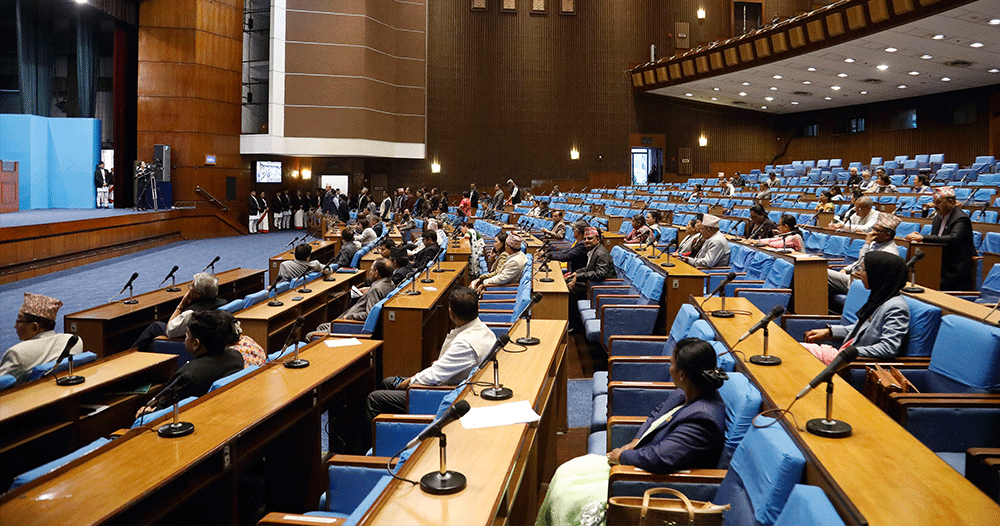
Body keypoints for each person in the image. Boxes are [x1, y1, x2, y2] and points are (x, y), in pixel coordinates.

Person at [535, 338, 727, 526]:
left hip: (651, 481)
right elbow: (656, 415)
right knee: (566, 471)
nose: (669, 368)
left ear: (683, 375)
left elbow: (660, 458)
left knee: (569, 495)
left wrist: (623, 456)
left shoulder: (703, 419)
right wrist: (636, 440)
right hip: (641, 460)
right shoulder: (688, 392)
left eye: (672, 364)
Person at [363, 287, 497, 446]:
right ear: (478, 308)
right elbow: (446, 367)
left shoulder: (465, 344)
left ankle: (371, 448)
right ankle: (392, 432)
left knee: (374, 399)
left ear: (451, 312)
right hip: (449, 383)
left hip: (439, 394)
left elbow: (435, 377)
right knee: (388, 382)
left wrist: (411, 381)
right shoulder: (483, 329)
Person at [804, 251, 910, 364]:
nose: (859, 273)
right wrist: (829, 331)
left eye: (864, 270)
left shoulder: (896, 308)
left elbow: (888, 348)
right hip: (845, 356)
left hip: (855, 363)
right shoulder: (880, 297)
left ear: (878, 274)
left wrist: (849, 353)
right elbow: (862, 329)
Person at [136, 310, 244, 417]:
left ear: (196, 344)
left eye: (187, 336)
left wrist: (145, 414)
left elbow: (161, 412)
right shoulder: (235, 356)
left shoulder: (188, 376)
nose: (185, 339)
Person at [131, 272, 227, 353]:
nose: (189, 289)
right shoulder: (223, 302)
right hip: (209, 339)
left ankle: (131, 355)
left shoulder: (191, 314)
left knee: (155, 327)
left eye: (191, 287)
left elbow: (170, 331)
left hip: (185, 343)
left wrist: (181, 305)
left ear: (198, 294)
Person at [1, 293, 84, 384]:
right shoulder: (73, 341)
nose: (15, 326)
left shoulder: (17, 353)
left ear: (34, 327)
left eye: (19, 321)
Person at [905, 186, 975, 291]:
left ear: (951, 202)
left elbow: (953, 238)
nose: (935, 206)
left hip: (954, 268)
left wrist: (923, 237)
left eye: (938, 202)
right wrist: (919, 238)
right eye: (934, 202)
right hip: (938, 263)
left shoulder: (961, 218)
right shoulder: (938, 217)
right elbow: (935, 238)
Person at [828, 214, 900, 296]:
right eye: (873, 228)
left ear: (887, 235)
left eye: (876, 230)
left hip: (861, 284)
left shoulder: (888, 252)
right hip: (853, 278)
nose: (871, 232)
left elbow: (863, 265)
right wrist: (846, 269)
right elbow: (859, 262)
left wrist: (867, 244)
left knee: (824, 274)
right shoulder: (876, 243)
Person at [566, 227, 616, 332]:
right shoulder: (594, 250)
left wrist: (578, 277)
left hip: (602, 287)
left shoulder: (600, 253)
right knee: (568, 282)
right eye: (585, 239)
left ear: (597, 239)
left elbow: (600, 274)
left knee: (572, 290)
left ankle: (576, 326)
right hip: (594, 284)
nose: (587, 241)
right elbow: (589, 268)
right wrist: (577, 273)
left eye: (590, 238)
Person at [332, 259, 394, 323]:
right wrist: (369, 289)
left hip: (349, 323)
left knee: (322, 326)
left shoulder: (376, 289)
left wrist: (349, 317)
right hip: (348, 320)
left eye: (371, 269)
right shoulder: (390, 283)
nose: (369, 272)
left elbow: (369, 315)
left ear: (376, 273)